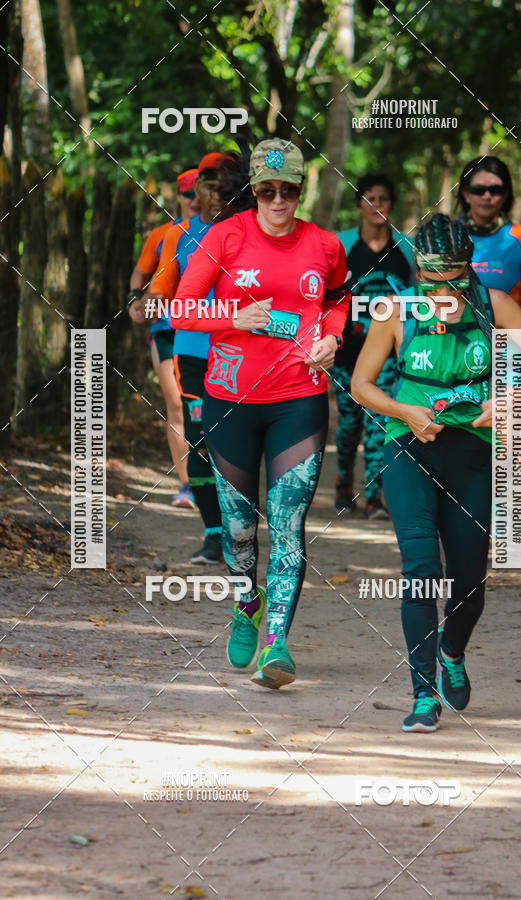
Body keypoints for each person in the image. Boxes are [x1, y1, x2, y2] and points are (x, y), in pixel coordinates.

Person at [351, 214, 521, 732]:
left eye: (453, 282)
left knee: (469, 584)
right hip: (410, 449)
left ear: (468, 268)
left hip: (473, 450)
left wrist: (508, 400)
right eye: (432, 282)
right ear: (417, 273)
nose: (443, 294)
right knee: (420, 570)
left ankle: (451, 651)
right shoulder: (396, 309)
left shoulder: (495, 304)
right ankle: (424, 695)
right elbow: (361, 384)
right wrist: (405, 412)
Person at [171, 138, 350, 689]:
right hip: (231, 398)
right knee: (241, 527)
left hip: (299, 397)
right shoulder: (226, 236)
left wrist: (333, 337)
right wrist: (234, 315)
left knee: (290, 521)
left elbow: (339, 299)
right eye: (267, 190)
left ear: (302, 190)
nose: (278, 200)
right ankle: (247, 602)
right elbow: (181, 306)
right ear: (253, 190)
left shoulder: (324, 244)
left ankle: (278, 643)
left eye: (288, 190)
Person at [149, 152, 249, 564]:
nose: (212, 194)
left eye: (223, 185)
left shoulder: (253, 232)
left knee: (239, 444)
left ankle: (241, 529)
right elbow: (163, 288)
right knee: (201, 441)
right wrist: (149, 304)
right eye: (205, 186)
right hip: (192, 350)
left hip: (242, 352)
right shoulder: (180, 235)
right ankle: (213, 533)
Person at [332, 174, 416, 518]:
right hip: (347, 353)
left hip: (387, 356)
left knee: (379, 420)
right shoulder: (341, 245)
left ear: (391, 205)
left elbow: (417, 299)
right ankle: (342, 485)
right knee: (349, 424)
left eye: (382, 199)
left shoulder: (406, 250)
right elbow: (327, 296)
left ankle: (375, 497)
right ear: (358, 206)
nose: (376, 205)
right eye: (369, 198)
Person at [128, 168, 200, 508]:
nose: (194, 199)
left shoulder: (224, 233)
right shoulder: (162, 234)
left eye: (201, 191)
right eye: (188, 193)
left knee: (208, 407)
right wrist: (134, 303)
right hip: (166, 327)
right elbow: (139, 275)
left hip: (207, 328)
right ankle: (187, 485)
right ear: (178, 195)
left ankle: (214, 481)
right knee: (177, 405)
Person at [457, 156, 521, 321]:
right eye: (479, 190)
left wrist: (518, 329)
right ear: (466, 194)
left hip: (504, 341)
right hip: (456, 338)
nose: (487, 196)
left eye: (495, 190)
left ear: (506, 194)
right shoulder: (449, 233)